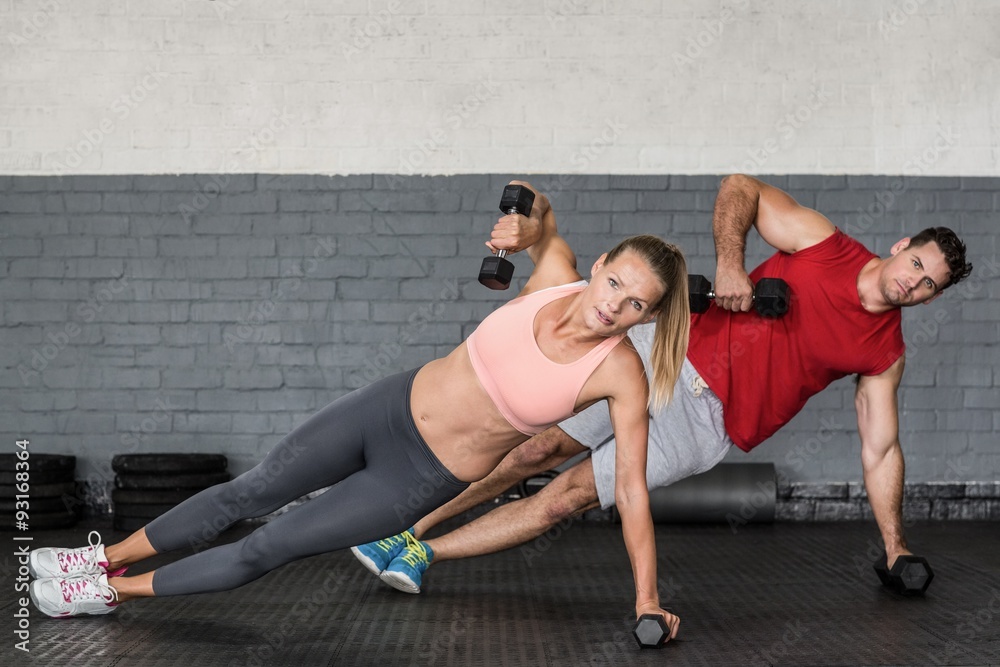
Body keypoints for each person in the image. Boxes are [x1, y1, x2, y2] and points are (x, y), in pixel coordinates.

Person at [27, 180, 689, 641]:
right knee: (249, 490)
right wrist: (521, 221)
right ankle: (103, 560)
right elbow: (535, 203)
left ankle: (109, 594)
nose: (614, 304)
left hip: (418, 479)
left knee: (269, 544)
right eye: (615, 282)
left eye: (637, 304)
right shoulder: (557, 274)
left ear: (650, 315)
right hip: (387, 406)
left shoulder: (619, 373)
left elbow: (629, 489)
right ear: (600, 265)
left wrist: (647, 600)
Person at [352, 173, 973, 598]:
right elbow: (742, 188)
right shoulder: (821, 244)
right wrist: (731, 263)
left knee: (566, 498)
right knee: (533, 450)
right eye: (916, 264)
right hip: (663, 354)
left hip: (708, 425)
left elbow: (881, 448)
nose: (912, 285)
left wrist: (895, 548)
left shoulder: (884, 351)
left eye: (929, 286)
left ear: (933, 296)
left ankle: (421, 555)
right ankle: (407, 523)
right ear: (900, 247)